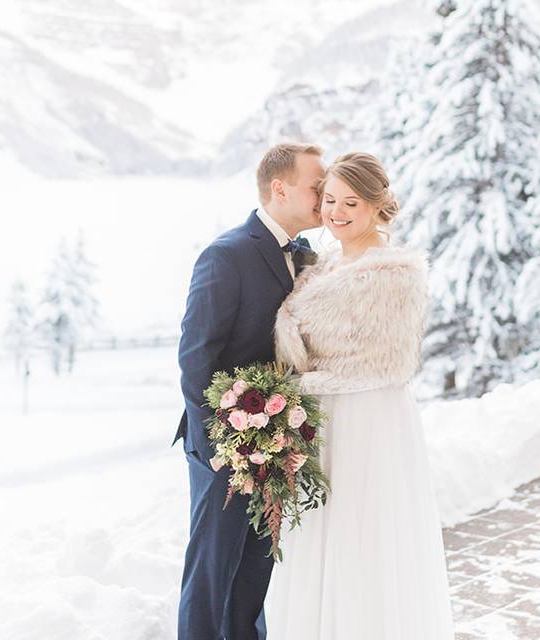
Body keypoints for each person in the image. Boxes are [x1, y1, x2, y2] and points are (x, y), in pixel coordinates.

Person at [265, 152, 455, 639]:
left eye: (351, 202)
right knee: (321, 532)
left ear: (377, 206)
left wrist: (301, 385)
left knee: (362, 534)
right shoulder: (325, 264)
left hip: (366, 419)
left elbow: (383, 363)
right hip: (323, 418)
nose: (337, 212)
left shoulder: (391, 273)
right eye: (329, 199)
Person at [172, 142, 326, 640]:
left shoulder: (309, 258)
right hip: (225, 445)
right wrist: (230, 442)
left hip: (279, 441)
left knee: (256, 568)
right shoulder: (226, 255)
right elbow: (196, 358)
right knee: (213, 569)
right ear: (279, 189)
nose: (325, 196)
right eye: (315, 186)